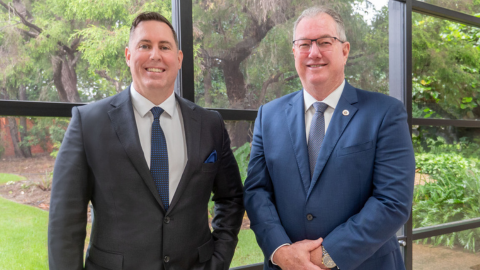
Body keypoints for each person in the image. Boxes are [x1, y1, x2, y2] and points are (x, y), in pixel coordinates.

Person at [48, 12, 244, 270]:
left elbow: (231, 198)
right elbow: (65, 222)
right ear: (128, 55)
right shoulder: (88, 123)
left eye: (164, 47)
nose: (155, 55)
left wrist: (218, 260)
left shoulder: (210, 125)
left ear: (179, 58)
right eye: (144, 46)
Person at [243, 6, 415, 270]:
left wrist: (323, 256)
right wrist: (281, 252)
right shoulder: (269, 115)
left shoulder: (385, 113)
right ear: (294, 52)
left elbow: (392, 202)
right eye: (304, 44)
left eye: (325, 42)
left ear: (344, 51)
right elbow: (257, 192)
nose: (314, 53)